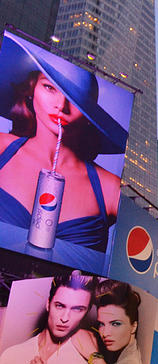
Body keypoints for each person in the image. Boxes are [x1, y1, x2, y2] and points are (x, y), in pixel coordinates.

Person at [0, 31, 126, 251]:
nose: (61, 106)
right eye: (49, 88)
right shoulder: (2, 148)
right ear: (31, 90)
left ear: (90, 116)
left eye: (75, 100)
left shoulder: (110, 189)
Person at [0, 271, 110, 364]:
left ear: (86, 312)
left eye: (77, 309)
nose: (65, 317)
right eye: (60, 306)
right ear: (48, 304)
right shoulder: (11, 354)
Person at [94, 279, 143, 364]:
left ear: (133, 326)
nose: (105, 333)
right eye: (101, 324)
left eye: (115, 324)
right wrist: (99, 361)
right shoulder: (121, 359)